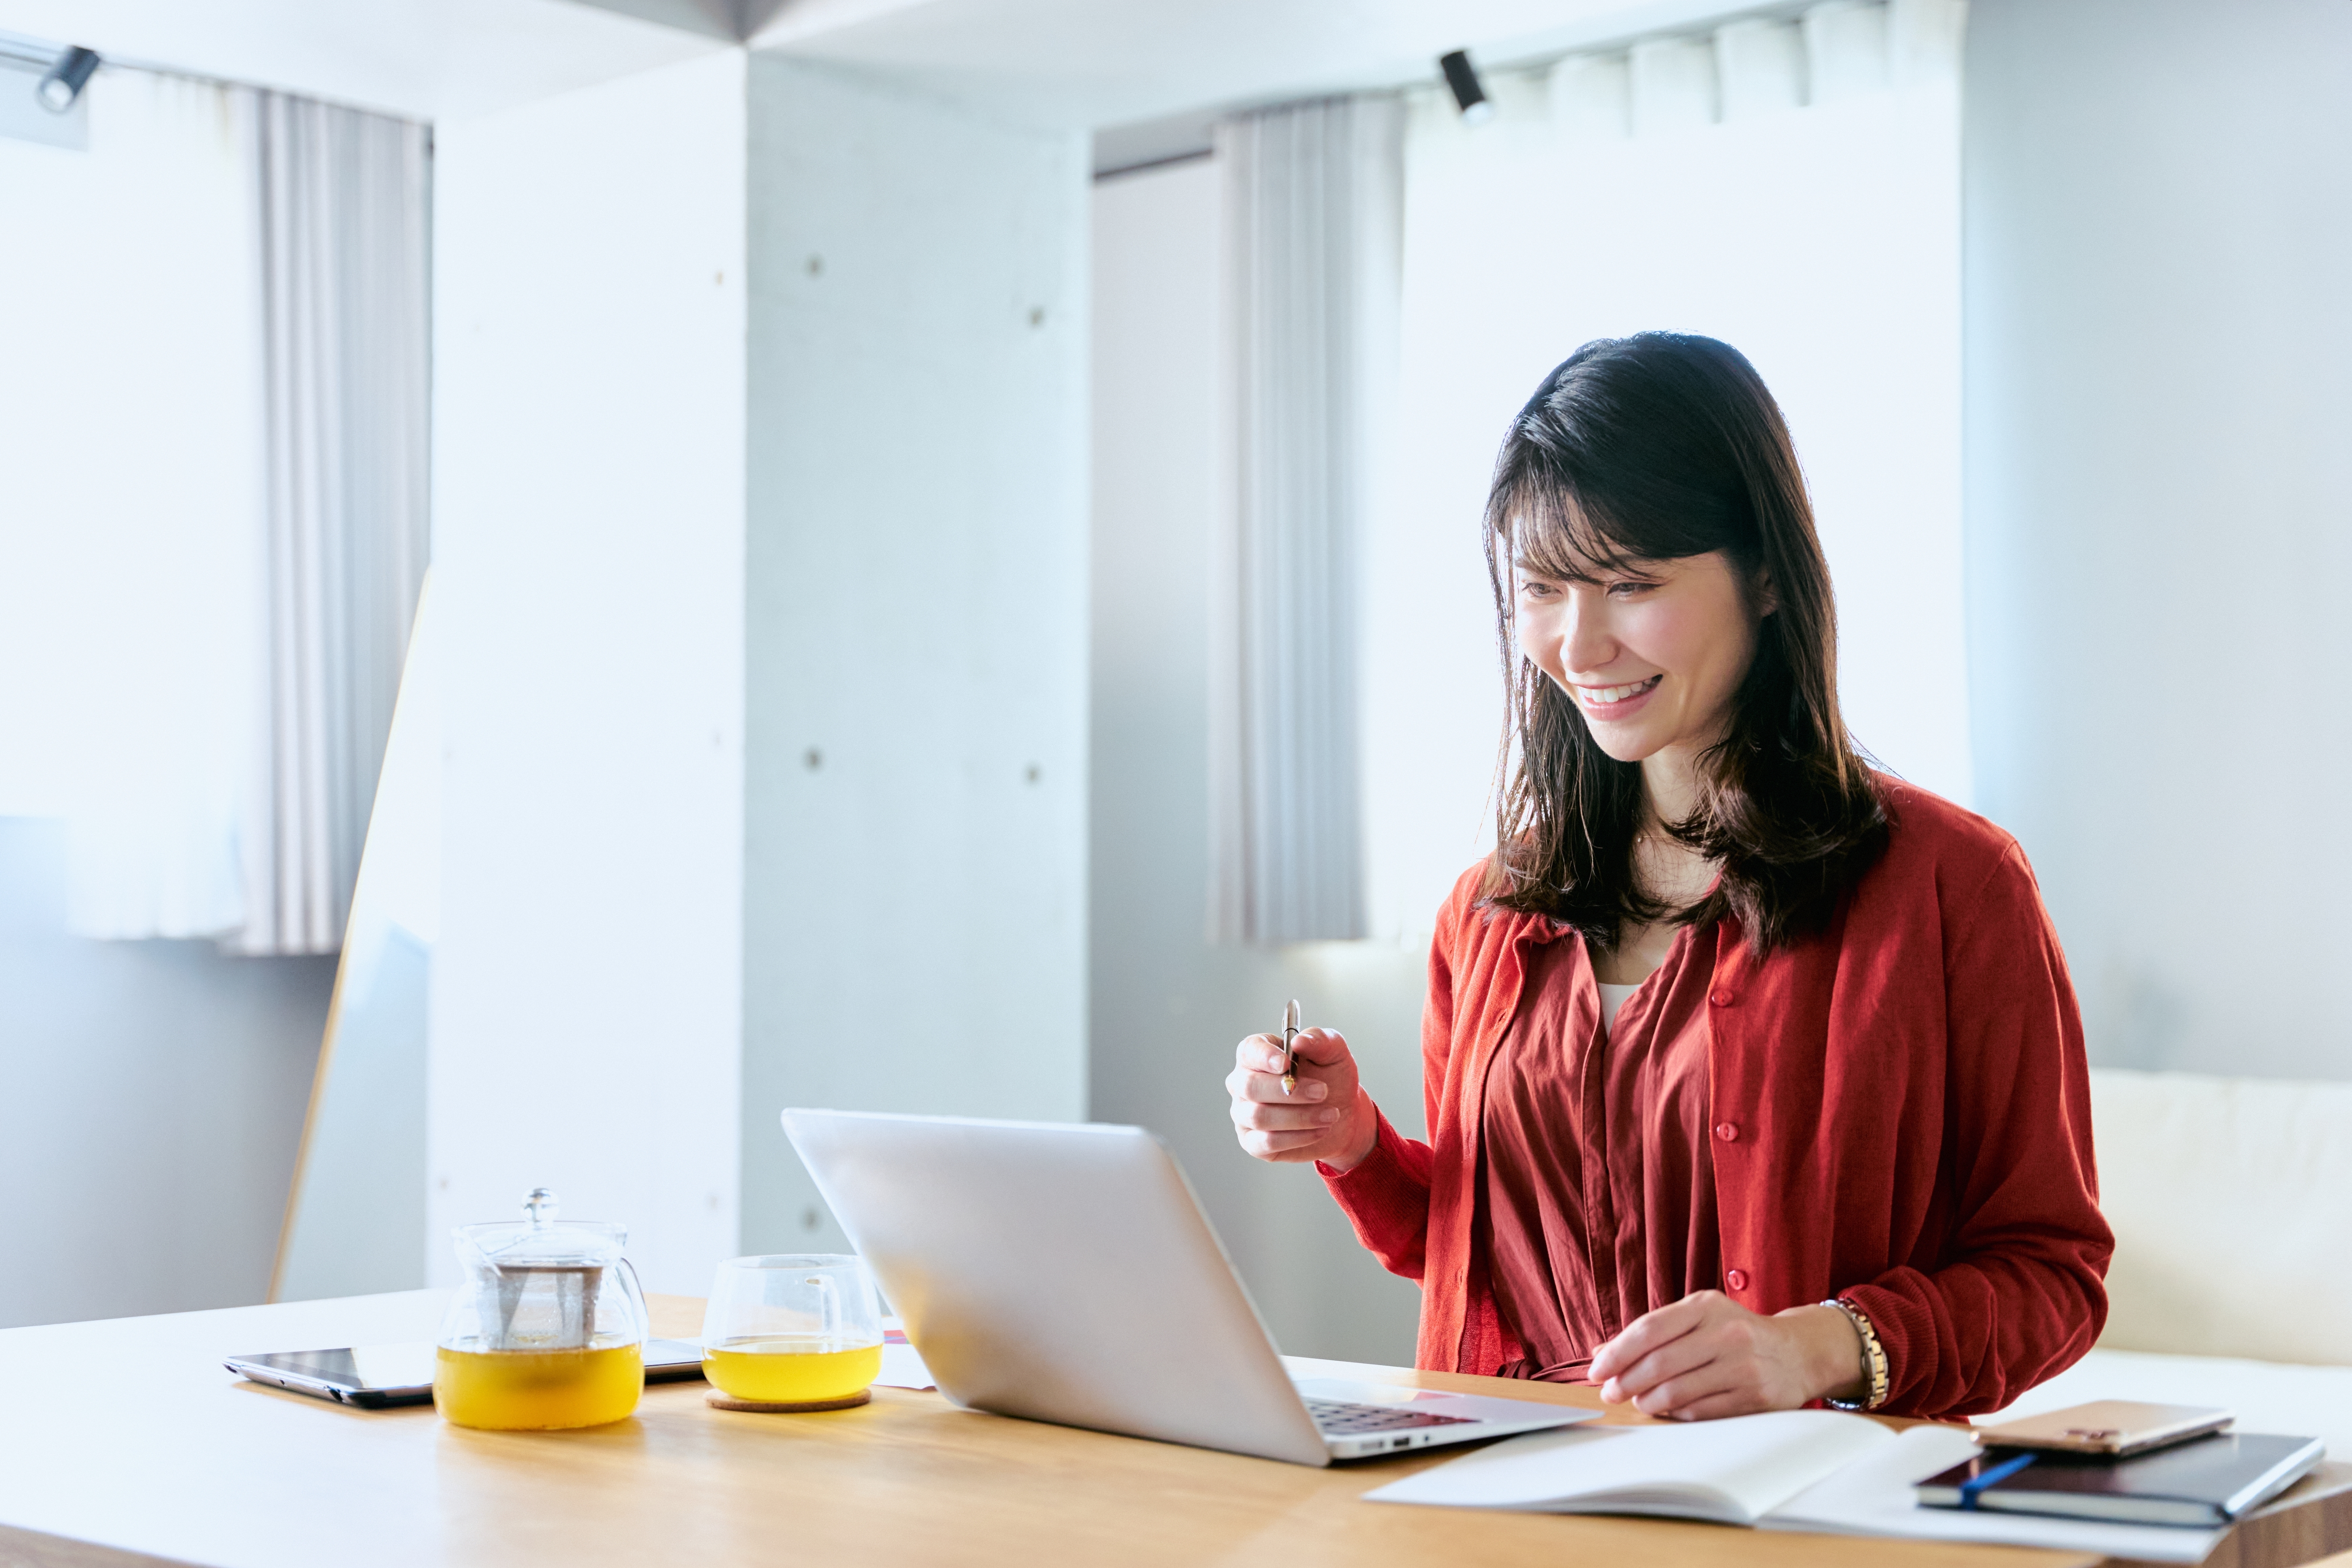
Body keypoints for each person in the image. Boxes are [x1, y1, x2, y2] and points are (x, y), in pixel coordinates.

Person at [1223, 333, 2110, 1421]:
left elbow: (2052, 1275)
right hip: (1497, 1484)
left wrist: (1814, 1349)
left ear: (1767, 576)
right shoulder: (1487, 915)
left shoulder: (1952, 885)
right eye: (1542, 589)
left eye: (1631, 584)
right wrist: (1353, 1142)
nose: (1579, 645)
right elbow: (1480, 1256)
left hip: (1797, 1496)